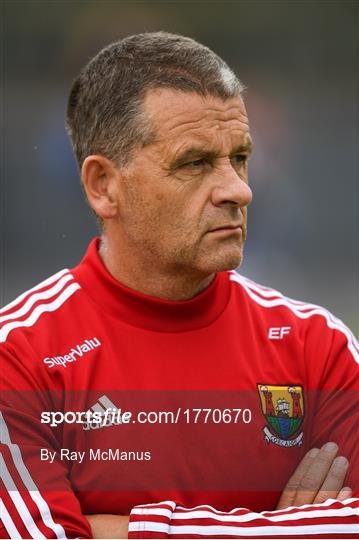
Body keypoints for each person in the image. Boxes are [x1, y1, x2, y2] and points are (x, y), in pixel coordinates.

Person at [0, 32, 358, 539]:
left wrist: (133, 529)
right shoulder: (18, 358)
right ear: (103, 185)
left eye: (239, 157)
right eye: (194, 163)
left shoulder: (318, 347)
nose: (240, 189)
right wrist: (288, 528)